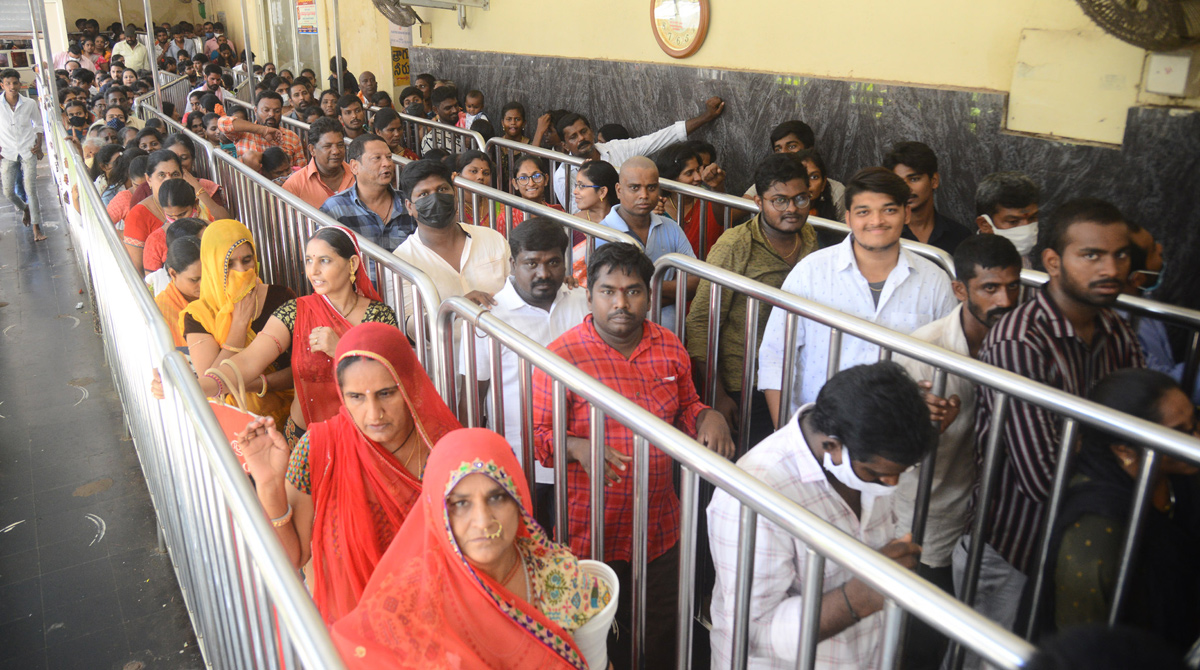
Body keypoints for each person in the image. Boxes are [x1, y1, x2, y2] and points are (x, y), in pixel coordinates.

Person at [531, 242, 732, 669]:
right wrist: (576, 446)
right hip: (588, 529)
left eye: (633, 291)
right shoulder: (561, 357)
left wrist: (708, 415)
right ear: (589, 297)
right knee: (589, 634)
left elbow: (686, 407)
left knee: (659, 632)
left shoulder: (669, 346)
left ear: (649, 296)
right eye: (608, 291)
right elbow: (539, 436)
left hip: (660, 523)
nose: (621, 303)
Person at [960, 198, 1145, 661]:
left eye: (1121, 255)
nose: (1111, 269)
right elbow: (1045, 476)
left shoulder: (1117, 330)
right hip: (1016, 548)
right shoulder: (1019, 341)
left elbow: (1144, 432)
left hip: (1090, 540)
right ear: (1052, 262)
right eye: (1091, 255)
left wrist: (1087, 444)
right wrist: (1117, 453)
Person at [708, 361, 935, 669]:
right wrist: (857, 599)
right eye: (877, 474)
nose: (891, 484)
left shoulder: (869, 451)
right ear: (832, 446)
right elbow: (753, 632)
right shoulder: (754, 496)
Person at [331, 428, 610, 668]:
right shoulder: (406, 605)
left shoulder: (558, 574)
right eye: (461, 504)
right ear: (437, 514)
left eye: (497, 497)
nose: (483, 521)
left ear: (519, 501)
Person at [237, 322, 459, 624]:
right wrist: (268, 485)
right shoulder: (318, 450)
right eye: (356, 397)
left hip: (433, 623)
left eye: (386, 393)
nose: (374, 413)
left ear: (409, 383)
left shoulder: (445, 449)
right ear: (341, 393)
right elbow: (294, 558)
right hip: (348, 629)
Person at [891, 234, 1022, 669]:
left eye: (1013, 286)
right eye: (990, 288)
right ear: (960, 290)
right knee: (926, 640)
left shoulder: (1027, 345)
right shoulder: (924, 349)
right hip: (936, 518)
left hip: (998, 520)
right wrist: (925, 426)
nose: (1005, 300)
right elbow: (893, 449)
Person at [757, 167, 957, 425]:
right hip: (821, 430)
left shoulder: (935, 281)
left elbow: (953, 365)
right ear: (849, 218)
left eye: (889, 210)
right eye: (864, 212)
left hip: (901, 432)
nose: (877, 221)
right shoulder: (810, 272)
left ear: (906, 213)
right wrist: (786, 433)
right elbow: (775, 354)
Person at [197, 226, 399, 448]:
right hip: (304, 441)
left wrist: (341, 349)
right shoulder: (295, 312)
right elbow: (249, 360)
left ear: (352, 264)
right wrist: (196, 387)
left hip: (366, 438)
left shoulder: (378, 316)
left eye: (324, 261)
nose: (313, 271)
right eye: (309, 261)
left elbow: (392, 380)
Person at [1045, 369, 1200, 651]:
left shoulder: (1182, 477)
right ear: (1124, 450)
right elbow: (1082, 648)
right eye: (1180, 432)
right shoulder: (1095, 528)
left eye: (1195, 423)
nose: (1196, 439)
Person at [686, 153, 819, 452]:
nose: (792, 209)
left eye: (800, 199)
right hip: (746, 384)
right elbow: (701, 320)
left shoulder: (809, 236)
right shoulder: (735, 245)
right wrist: (718, 394)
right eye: (779, 201)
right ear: (759, 202)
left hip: (798, 377)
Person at [465, 219, 590, 530]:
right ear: (513, 264)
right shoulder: (488, 317)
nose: (543, 273)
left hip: (581, 458)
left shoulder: (584, 303)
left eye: (553, 262)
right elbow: (474, 393)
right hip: (517, 461)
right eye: (531, 263)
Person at [182, 219, 296, 426]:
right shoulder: (200, 314)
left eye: (247, 260)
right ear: (212, 266)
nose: (242, 271)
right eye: (229, 265)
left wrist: (255, 383)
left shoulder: (280, 297)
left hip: (289, 414)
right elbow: (213, 386)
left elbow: (301, 369)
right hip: (233, 423)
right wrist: (238, 326)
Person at [393, 159, 510, 344]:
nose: (435, 198)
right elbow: (411, 328)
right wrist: (454, 310)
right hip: (447, 360)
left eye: (442, 189)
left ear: (454, 194)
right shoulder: (401, 261)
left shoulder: (492, 239)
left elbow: (517, 292)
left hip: (504, 352)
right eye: (424, 194)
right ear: (409, 207)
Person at [551, 96, 726, 211]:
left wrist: (706, 117)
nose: (581, 138)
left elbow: (658, 138)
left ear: (591, 131)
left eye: (584, 131)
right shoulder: (563, 176)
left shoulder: (616, 148)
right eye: (573, 137)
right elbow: (578, 214)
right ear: (564, 145)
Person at [596, 156, 697, 329]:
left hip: (668, 337)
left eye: (651, 187)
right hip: (621, 336)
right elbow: (610, 295)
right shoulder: (601, 234)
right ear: (619, 190)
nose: (644, 195)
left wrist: (640, 290)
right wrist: (672, 291)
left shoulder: (671, 227)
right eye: (634, 188)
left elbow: (694, 283)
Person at [123, 150, 227, 273]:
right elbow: (138, 271)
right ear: (148, 179)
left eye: (175, 174)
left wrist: (196, 186)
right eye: (161, 175)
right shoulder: (139, 217)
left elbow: (224, 222)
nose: (169, 180)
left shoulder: (198, 211)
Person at [320, 133, 414, 253]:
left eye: (389, 157)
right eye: (377, 158)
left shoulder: (408, 203)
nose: (387, 163)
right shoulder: (335, 208)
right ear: (354, 166)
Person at [882, 141, 972, 254]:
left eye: (914, 179)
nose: (906, 188)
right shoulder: (884, 235)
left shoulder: (960, 236)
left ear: (934, 181)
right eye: (898, 181)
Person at [653, 142, 727, 258]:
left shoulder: (707, 202)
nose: (698, 177)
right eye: (689, 173)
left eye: (698, 170)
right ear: (672, 177)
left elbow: (722, 218)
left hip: (705, 269)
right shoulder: (657, 208)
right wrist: (649, 218)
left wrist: (718, 186)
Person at [0, 69, 45, 241]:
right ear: (2, 85)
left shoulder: (29, 103)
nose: (12, 86)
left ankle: (36, 228)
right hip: (7, 152)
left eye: (15, 83)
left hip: (28, 150)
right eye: (8, 83)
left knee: (30, 189)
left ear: (20, 84)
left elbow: (38, 124)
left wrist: (38, 145)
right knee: (8, 192)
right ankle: (25, 208)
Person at [217, 92, 306, 168]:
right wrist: (263, 130)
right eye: (266, 110)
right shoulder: (243, 133)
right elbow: (222, 123)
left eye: (277, 111)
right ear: (255, 111)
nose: (271, 114)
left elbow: (301, 170)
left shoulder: (292, 137)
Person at [283, 117, 355, 210]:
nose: (336, 151)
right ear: (312, 150)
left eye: (340, 145)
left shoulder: (358, 175)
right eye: (328, 146)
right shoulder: (294, 185)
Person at [974, 171, 1041, 266]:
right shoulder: (977, 268)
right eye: (1013, 222)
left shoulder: (1013, 255)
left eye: (1032, 218)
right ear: (984, 225)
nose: (1027, 228)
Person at [569, 159, 619, 285]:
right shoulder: (571, 224)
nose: (575, 191)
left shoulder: (622, 223)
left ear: (602, 192)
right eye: (576, 185)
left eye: (581, 186)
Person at [141, 178, 206, 273]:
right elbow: (152, 280)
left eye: (182, 214)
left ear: (195, 204)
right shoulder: (155, 241)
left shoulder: (208, 230)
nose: (177, 221)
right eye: (171, 216)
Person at [155, 233, 203, 348]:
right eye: (194, 280)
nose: (204, 285)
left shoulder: (220, 293)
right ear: (173, 274)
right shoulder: (160, 312)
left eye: (209, 277)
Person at [505, 154, 564, 236]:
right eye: (523, 178)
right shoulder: (507, 218)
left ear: (546, 179)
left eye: (536, 176)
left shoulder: (558, 213)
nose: (531, 183)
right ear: (515, 183)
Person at [420, 85, 464, 156]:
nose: (455, 110)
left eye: (456, 105)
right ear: (435, 110)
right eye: (448, 108)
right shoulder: (432, 139)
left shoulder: (466, 125)